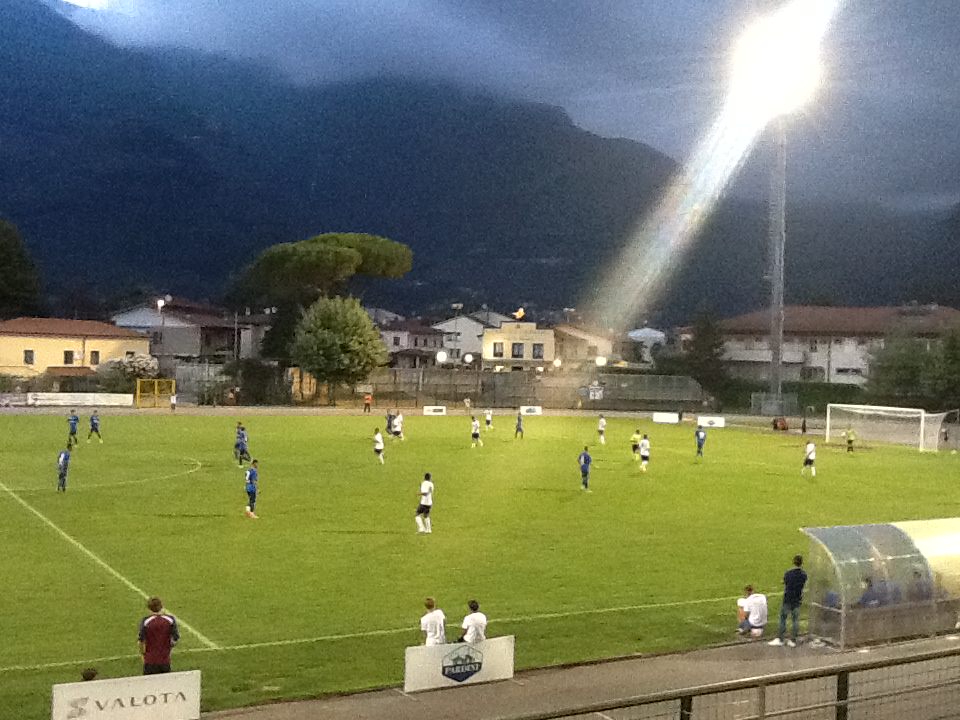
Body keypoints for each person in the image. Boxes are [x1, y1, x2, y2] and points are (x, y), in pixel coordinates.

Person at [769, 555, 807, 647]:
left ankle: (781, 639)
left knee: (783, 618)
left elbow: (785, 581)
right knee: (795, 620)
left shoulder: (789, 573)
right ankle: (793, 640)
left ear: (793, 561)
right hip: (797, 599)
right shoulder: (804, 575)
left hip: (788, 599)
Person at [138, 596, 180, 674]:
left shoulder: (146, 621)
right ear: (161, 606)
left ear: (149, 608)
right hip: (165, 660)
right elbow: (175, 639)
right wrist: (168, 649)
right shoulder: (170, 619)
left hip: (150, 661)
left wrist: (143, 655)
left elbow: (141, 641)